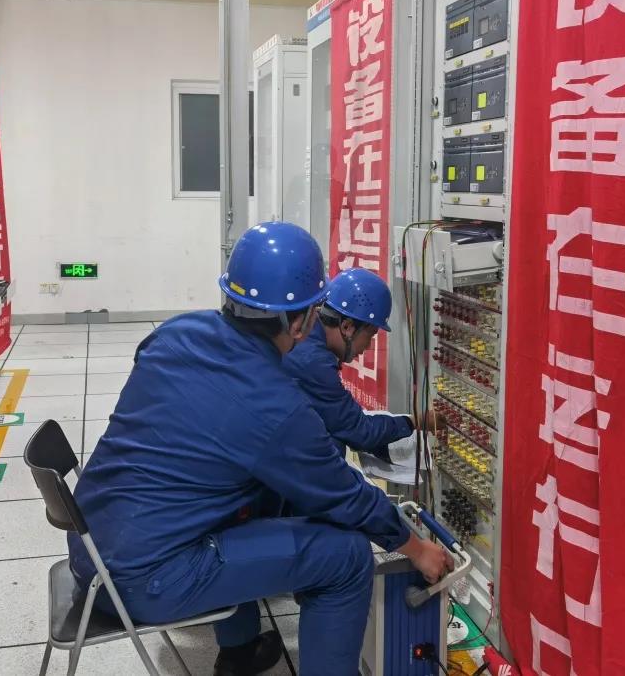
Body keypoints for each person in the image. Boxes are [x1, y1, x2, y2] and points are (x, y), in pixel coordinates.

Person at [68, 222, 454, 676]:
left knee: (251, 497)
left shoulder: (174, 333)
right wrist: (415, 548)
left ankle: (240, 651)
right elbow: (341, 492)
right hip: (145, 578)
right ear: (300, 321)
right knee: (348, 557)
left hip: (93, 548)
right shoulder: (274, 405)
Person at [284, 268, 440, 462]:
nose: (368, 346)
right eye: (371, 335)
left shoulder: (307, 337)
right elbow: (360, 432)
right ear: (347, 327)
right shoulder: (313, 362)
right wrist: (415, 421)